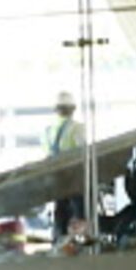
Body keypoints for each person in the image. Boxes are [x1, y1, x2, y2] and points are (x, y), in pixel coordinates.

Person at [46, 91, 84, 240]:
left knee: (60, 216)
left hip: (56, 183)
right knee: (80, 217)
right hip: (75, 182)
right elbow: (85, 154)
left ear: (56, 110)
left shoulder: (47, 132)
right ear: (73, 109)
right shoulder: (77, 129)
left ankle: (59, 243)